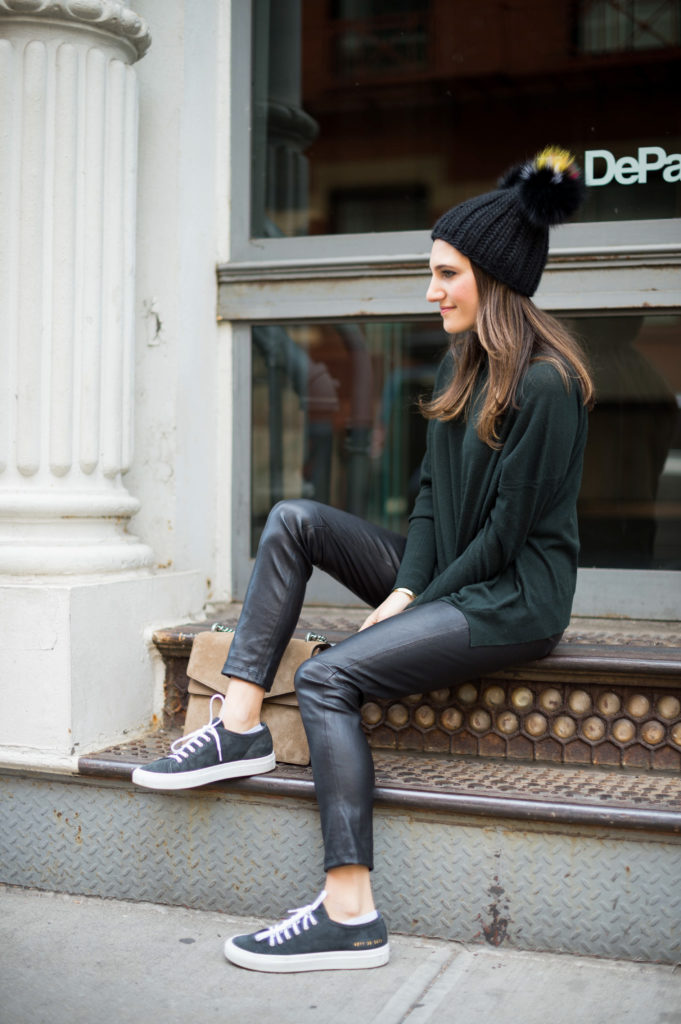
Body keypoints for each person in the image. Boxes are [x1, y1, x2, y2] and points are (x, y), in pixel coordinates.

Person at [132, 146, 594, 973]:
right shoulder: (464, 370)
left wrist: (412, 604)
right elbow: (426, 502)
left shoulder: (549, 386)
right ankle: (237, 725)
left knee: (324, 678)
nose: (430, 290)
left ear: (490, 277)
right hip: (450, 577)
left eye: (445, 273)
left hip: (510, 601)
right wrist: (409, 581)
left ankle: (349, 911)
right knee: (295, 518)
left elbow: (503, 540)